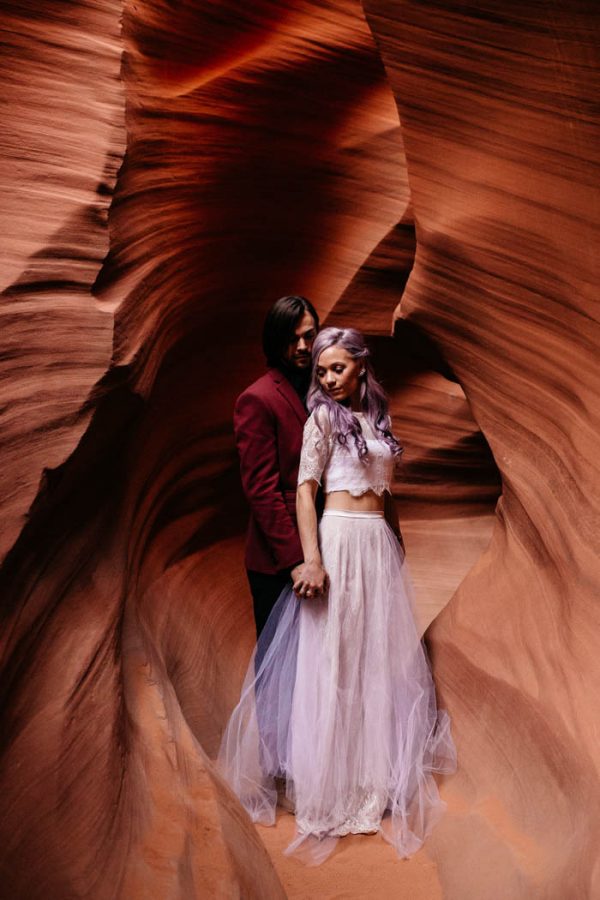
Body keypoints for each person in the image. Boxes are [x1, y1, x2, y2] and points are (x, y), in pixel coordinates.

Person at [220, 327, 456, 864]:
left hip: (376, 548)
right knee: (333, 658)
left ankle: (367, 787)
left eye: (337, 369)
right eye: (322, 371)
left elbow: (386, 495)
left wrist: (397, 547)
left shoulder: (377, 417)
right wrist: (313, 557)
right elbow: (306, 490)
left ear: (360, 367)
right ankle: (327, 790)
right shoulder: (324, 416)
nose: (326, 379)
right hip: (339, 540)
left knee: (374, 660)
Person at [233, 295, 319, 638]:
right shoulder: (257, 398)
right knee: (279, 672)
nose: (302, 346)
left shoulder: (323, 390)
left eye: (309, 336)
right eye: (292, 338)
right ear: (274, 340)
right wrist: (296, 561)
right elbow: (261, 490)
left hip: (322, 547)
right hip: (278, 560)